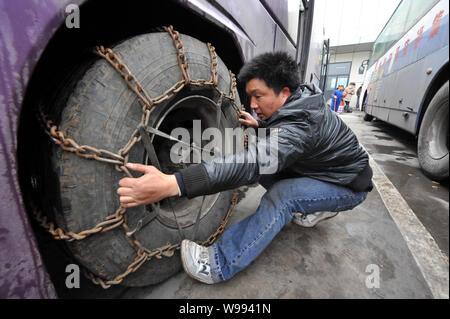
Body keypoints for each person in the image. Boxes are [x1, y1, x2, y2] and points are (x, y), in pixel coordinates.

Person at [116, 52, 373, 285]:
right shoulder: (300, 100)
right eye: (250, 96)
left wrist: (176, 184)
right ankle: (319, 205)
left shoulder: (303, 124)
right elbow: (289, 133)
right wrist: (261, 126)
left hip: (348, 185)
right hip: (323, 171)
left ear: (283, 92)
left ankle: (220, 263)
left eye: (258, 96)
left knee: (283, 195)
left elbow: (255, 160)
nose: (252, 104)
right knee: (269, 170)